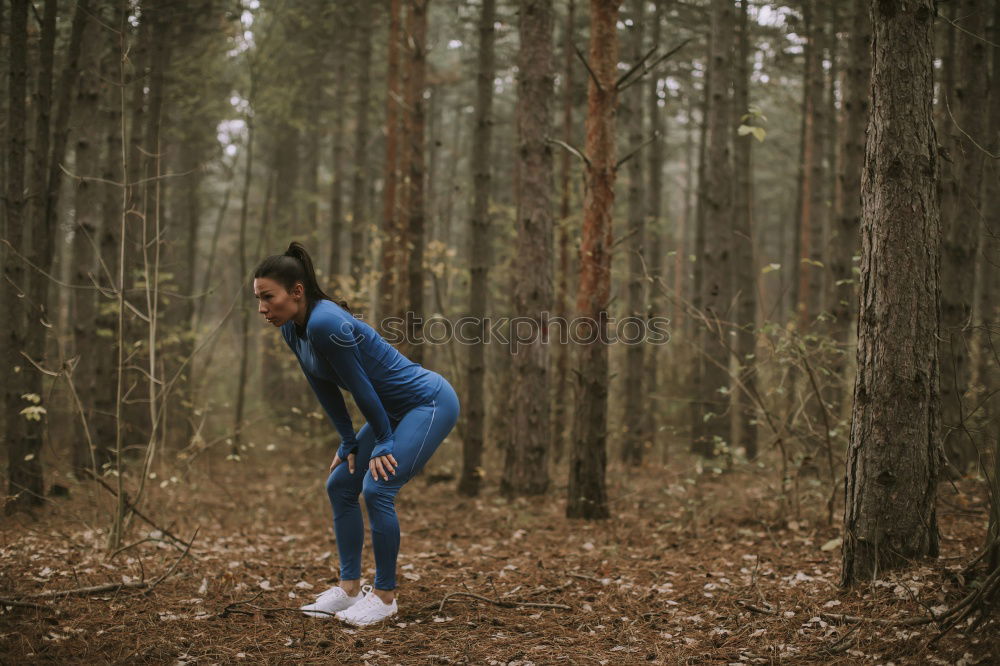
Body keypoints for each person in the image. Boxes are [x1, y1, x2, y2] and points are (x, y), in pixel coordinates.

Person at [252, 241, 460, 627]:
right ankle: (348, 590)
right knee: (339, 484)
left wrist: (382, 440)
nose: (262, 308)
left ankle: (384, 596)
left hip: (428, 403)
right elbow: (323, 386)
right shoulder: (292, 330)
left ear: (296, 292)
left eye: (269, 298)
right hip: (392, 411)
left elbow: (361, 387)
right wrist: (348, 440)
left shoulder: (325, 323)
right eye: (258, 299)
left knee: (378, 488)